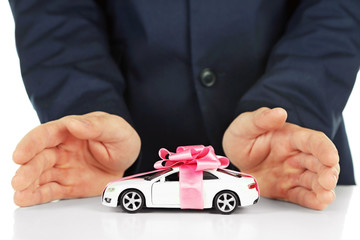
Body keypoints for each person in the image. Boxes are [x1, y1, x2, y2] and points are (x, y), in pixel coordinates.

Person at [9, 1, 359, 210]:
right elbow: (54, 11)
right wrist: (85, 108)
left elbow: (337, 8)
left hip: (289, 166)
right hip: (110, 163)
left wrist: (292, 109)